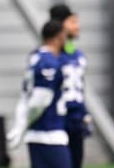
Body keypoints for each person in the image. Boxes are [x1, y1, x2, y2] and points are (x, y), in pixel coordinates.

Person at [7, 20, 71, 168]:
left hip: (40, 134)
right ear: (60, 36)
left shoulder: (35, 57)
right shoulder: (48, 62)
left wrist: (20, 124)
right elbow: (39, 100)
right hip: (49, 133)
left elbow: (24, 96)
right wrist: (22, 126)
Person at [50, 3, 92, 168]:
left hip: (76, 119)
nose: (77, 26)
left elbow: (79, 87)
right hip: (58, 119)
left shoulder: (78, 55)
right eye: (73, 21)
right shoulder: (50, 55)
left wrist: (85, 113)